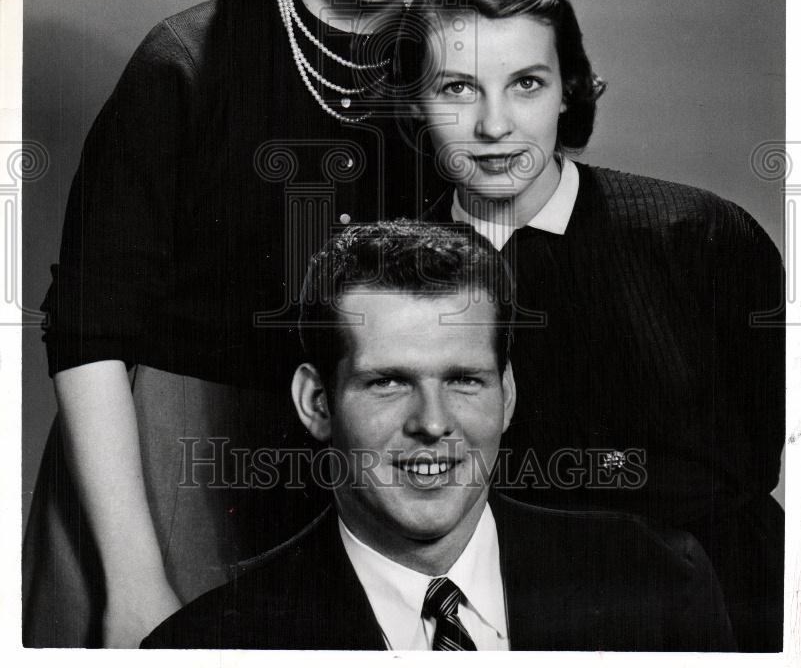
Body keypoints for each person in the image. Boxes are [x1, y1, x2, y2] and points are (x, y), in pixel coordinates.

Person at [22, 0, 488, 648]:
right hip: (166, 477)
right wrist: (135, 577)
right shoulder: (184, 62)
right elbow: (86, 329)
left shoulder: (473, 73)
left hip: (376, 470)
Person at [392, 0, 786, 652]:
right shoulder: (386, 276)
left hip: (719, 614)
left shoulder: (698, 235)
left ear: (570, 91)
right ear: (414, 103)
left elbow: (749, 466)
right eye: (457, 88)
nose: (492, 125)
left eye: (526, 84)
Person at [142, 220, 734, 651]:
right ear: (317, 403)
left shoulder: (659, 583)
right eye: (389, 382)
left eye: (464, 380)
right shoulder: (210, 647)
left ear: (507, 396)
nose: (432, 422)